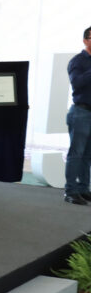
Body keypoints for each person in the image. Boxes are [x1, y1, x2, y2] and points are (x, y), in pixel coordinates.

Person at [65, 26, 91, 205]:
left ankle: (83, 188)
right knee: (77, 152)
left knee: (88, 154)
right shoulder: (78, 61)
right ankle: (70, 191)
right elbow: (77, 83)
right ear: (85, 40)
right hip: (81, 111)